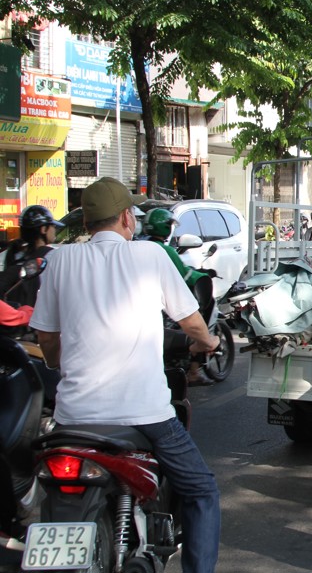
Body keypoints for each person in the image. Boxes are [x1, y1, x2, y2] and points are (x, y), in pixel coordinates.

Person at [29, 177, 221, 573]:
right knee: (202, 491)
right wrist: (210, 344)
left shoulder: (60, 260)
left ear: (87, 221)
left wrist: (57, 362)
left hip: (72, 419)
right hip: (145, 416)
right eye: (131, 213)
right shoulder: (150, 256)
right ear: (124, 219)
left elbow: (47, 336)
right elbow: (192, 323)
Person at [143, 207, 215, 386]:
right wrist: (202, 275)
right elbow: (184, 276)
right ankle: (194, 370)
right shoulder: (165, 251)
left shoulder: (140, 245)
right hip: (167, 301)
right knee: (197, 321)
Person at [0, 205, 63, 307]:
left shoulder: (14, 254)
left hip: (18, 317)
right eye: (52, 226)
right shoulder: (53, 256)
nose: (54, 229)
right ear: (43, 229)